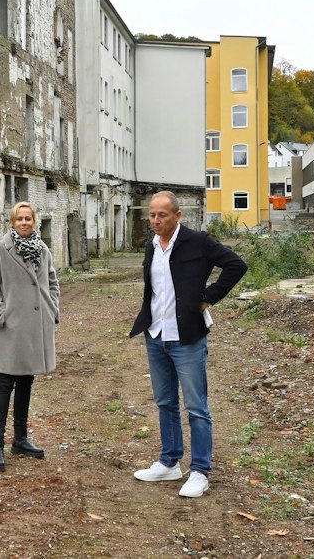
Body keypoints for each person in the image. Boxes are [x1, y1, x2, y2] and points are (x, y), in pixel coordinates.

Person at [128, 191, 246, 498]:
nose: (155, 221)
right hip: (156, 335)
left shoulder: (199, 242)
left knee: (196, 407)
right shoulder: (151, 245)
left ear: (178, 216)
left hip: (187, 337)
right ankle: (169, 462)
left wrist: (208, 297)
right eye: (152, 215)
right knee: (165, 402)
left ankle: (199, 471)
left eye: (162, 215)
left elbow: (236, 265)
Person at [0, 201, 59, 472]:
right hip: (12, 328)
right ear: (12, 223)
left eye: (28, 218)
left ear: (34, 222)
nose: (24, 223)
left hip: (36, 327)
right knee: (5, 382)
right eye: (19, 219)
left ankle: (21, 439)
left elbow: (52, 280)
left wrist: (52, 309)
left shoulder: (42, 249)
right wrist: (1, 315)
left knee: (26, 380)